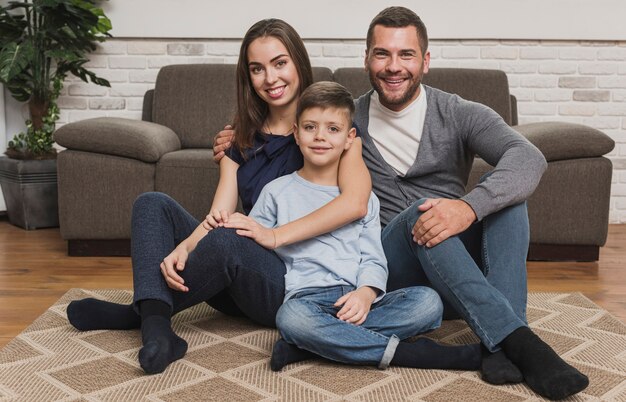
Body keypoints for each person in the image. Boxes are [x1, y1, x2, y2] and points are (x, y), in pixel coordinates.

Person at [213, 7, 589, 400]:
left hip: (452, 268)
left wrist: (467, 208)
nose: (394, 67)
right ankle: (516, 344)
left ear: (425, 61)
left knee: (510, 200)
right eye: (382, 54)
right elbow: (300, 131)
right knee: (421, 213)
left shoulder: (458, 113)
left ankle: (509, 338)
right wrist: (240, 136)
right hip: (391, 266)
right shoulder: (346, 118)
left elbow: (528, 158)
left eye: (406, 54)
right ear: (366, 60)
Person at [66, 18, 372, 375]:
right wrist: (187, 245)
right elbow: (220, 214)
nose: (270, 78)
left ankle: (144, 313)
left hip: (296, 285)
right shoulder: (238, 138)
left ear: (298, 63)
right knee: (152, 204)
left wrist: (271, 236)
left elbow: (355, 204)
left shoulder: (333, 130)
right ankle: (158, 328)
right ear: (247, 77)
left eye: (279, 63)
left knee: (229, 240)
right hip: (239, 276)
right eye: (257, 69)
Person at [228, 81, 481, 372]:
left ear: (350, 138)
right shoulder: (275, 191)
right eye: (310, 127)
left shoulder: (364, 199)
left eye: (332, 129)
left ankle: (311, 344)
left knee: (428, 303)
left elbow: (373, 256)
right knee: (291, 318)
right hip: (306, 299)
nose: (320, 137)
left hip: (358, 297)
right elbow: (251, 241)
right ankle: (405, 354)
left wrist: (367, 292)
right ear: (296, 134)